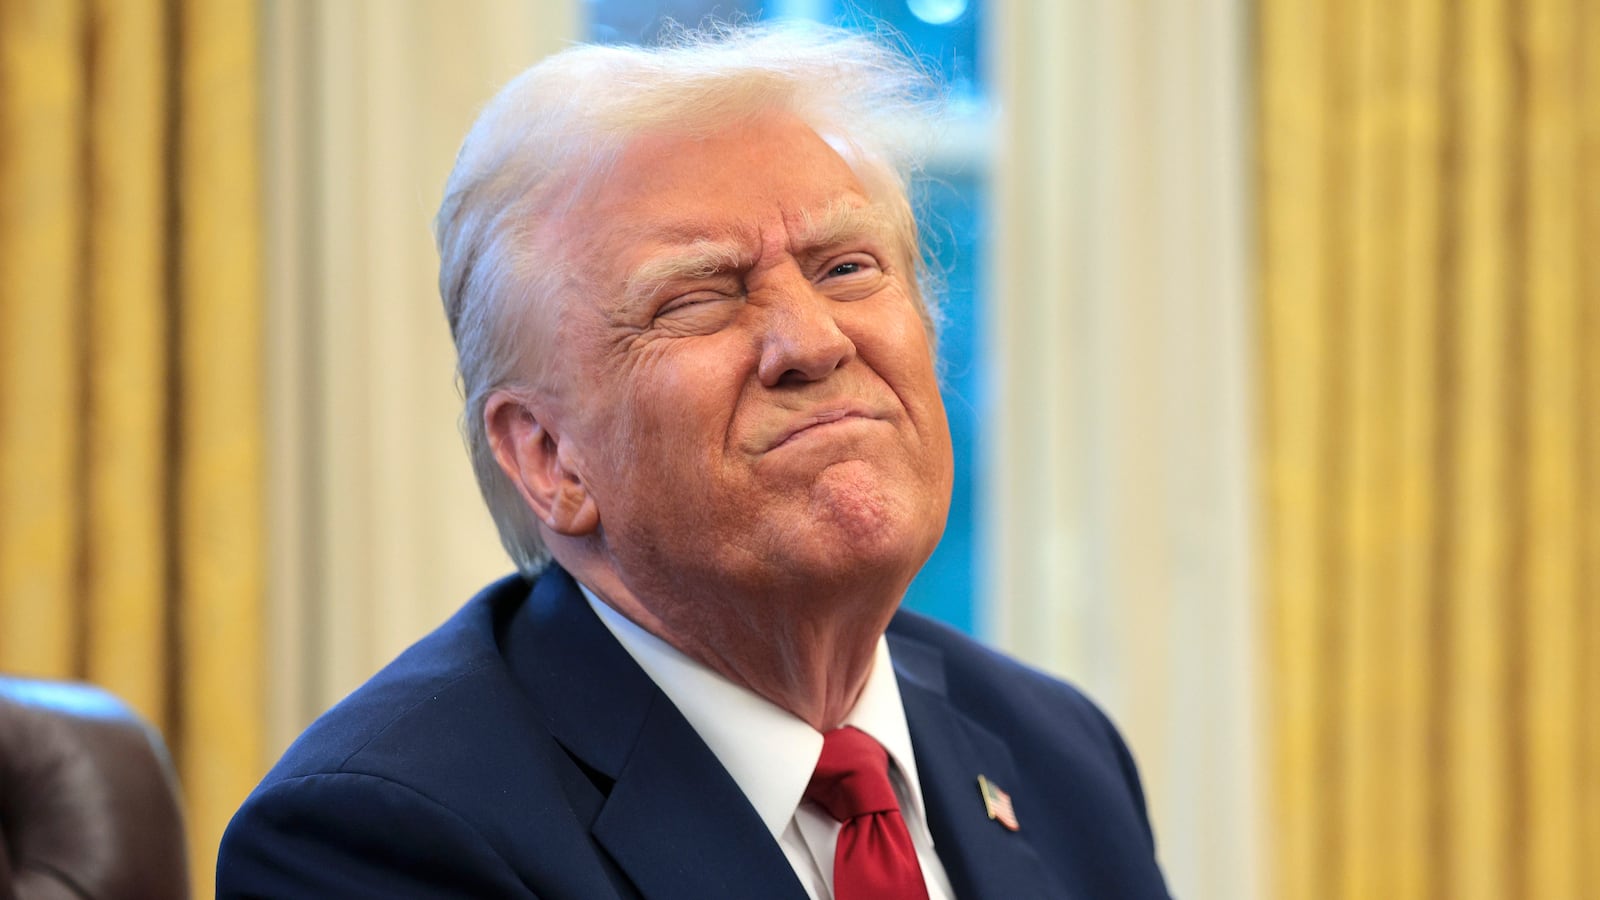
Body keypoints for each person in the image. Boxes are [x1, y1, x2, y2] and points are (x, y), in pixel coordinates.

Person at [218, 24, 1171, 900]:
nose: (812, 341)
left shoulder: (1057, 752)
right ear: (551, 459)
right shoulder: (376, 836)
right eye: (697, 299)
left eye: (846, 267)